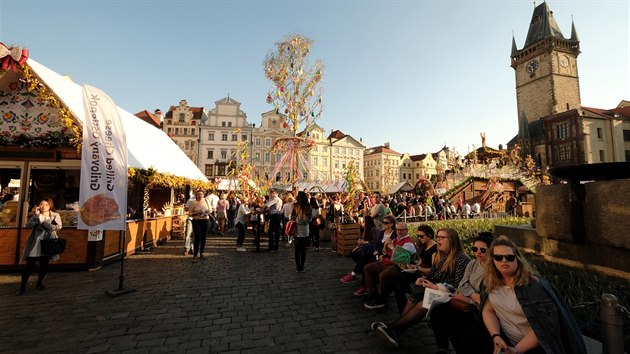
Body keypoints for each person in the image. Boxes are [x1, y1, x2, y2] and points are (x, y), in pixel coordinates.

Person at [482, 236, 587, 354]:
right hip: (507, 340)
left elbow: (545, 327)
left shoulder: (535, 286)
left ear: (518, 259)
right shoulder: (490, 283)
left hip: (539, 346)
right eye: (498, 257)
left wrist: (516, 350)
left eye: (510, 257)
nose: (504, 260)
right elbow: (488, 310)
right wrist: (496, 336)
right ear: (492, 260)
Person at [374, 228, 470, 348]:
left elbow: (457, 286)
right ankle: (395, 332)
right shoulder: (444, 255)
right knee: (412, 297)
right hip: (435, 290)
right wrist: (423, 279)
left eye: (441, 238)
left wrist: (434, 286)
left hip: (448, 295)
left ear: (451, 240)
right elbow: (433, 272)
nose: (438, 240)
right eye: (438, 237)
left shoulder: (461, 259)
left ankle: (390, 328)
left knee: (422, 303)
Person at [429, 232, 493, 354]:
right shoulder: (472, 263)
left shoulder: (492, 268)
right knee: (436, 311)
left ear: (491, 250)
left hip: (477, 307)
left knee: (454, 323)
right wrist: (472, 295)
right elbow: (463, 284)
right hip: (466, 299)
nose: (478, 252)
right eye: (475, 249)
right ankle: (443, 348)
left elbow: (484, 297)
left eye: (482, 250)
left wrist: (469, 296)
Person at [363, 222, 416, 310]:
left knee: (383, 275)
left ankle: (382, 300)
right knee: (368, 268)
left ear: (406, 230)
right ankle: (373, 293)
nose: (399, 232)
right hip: (387, 262)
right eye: (398, 230)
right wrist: (385, 247)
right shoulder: (396, 239)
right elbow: (386, 252)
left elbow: (400, 258)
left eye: (402, 230)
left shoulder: (409, 243)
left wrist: (391, 246)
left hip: (397, 266)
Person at [16, 198, 62, 295]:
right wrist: (36, 216)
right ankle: (22, 287)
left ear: (50, 206)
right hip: (36, 242)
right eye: (41, 204)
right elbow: (28, 225)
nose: (43, 206)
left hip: (48, 242)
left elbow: (59, 226)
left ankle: (39, 283)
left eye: (46, 204)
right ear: (38, 206)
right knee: (29, 265)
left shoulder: (55, 215)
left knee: (44, 264)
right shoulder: (36, 215)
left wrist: (49, 226)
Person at [340, 215, 379, 289]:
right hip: (364, 248)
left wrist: (364, 242)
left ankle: (357, 272)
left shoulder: (373, 229)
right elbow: (362, 239)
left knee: (363, 257)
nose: (362, 223)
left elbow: (375, 242)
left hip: (370, 250)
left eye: (364, 221)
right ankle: (360, 270)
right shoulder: (365, 229)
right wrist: (358, 245)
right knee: (353, 253)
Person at [291, 191, 311, 272]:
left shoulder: (295, 206)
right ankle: (302, 266)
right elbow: (310, 218)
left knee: (297, 249)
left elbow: (292, 217)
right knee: (303, 249)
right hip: (305, 229)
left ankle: (297, 266)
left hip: (297, 229)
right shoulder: (308, 206)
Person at [188, 190, 210, 262]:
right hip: (196, 221)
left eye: (201, 194)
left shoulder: (206, 201)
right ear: (196, 195)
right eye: (198, 194)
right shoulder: (193, 203)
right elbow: (190, 213)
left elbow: (210, 210)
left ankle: (202, 253)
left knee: (204, 238)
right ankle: (195, 255)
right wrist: (197, 213)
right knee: (197, 238)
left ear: (203, 195)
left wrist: (207, 211)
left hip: (205, 220)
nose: (199, 196)